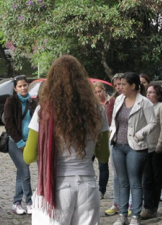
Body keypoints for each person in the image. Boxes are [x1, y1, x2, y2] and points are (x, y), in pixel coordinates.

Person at [24, 55, 110, 225]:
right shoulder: (98, 111)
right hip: (87, 185)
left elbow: (28, 156)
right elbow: (104, 155)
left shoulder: (44, 112)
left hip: (56, 185)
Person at [110, 72, 156, 225]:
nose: (120, 87)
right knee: (122, 182)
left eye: (124, 84)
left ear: (133, 85)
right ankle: (122, 215)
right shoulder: (119, 100)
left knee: (135, 182)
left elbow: (152, 122)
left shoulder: (144, 102)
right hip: (118, 145)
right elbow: (114, 120)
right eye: (120, 84)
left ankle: (135, 215)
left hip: (135, 147)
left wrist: (139, 135)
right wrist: (112, 134)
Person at [4, 75, 37, 215]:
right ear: (15, 88)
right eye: (20, 86)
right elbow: (9, 124)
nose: (23, 88)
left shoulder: (32, 101)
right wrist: (20, 142)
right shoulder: (11, 101)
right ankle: (29, 202)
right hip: (15, 142)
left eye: (25, 85)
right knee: (25, 172)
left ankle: (16, 202)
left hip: (29, 142)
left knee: (21, 173)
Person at [141, 84, 162, 219]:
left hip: (158, 149)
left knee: (156, 179)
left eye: (151, 92)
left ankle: (153, 207)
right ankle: (147, 206)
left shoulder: (161, 107)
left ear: (158, 94)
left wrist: (160, 144)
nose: (148, 94)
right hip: (146, 147)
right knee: (146, 179)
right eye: (147, 92)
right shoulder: (146, 107)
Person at [105, 73, 123, 216]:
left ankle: (129, 203)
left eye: (121, 84)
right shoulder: (112, 101)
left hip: (131, 141)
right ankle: (117, 202)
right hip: (115, 139)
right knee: (116, 173)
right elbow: (109, 121)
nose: (119, 87)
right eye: (116, 85)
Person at [93, 81, 110, 199]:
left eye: (99, 91)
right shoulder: (91, 105)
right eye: (95, 92)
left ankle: (101, 189)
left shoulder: (111, 102)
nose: (98, 94)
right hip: (93, 137)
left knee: (103, 165)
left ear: (104, 91)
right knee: (88, 162)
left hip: (105, 135)